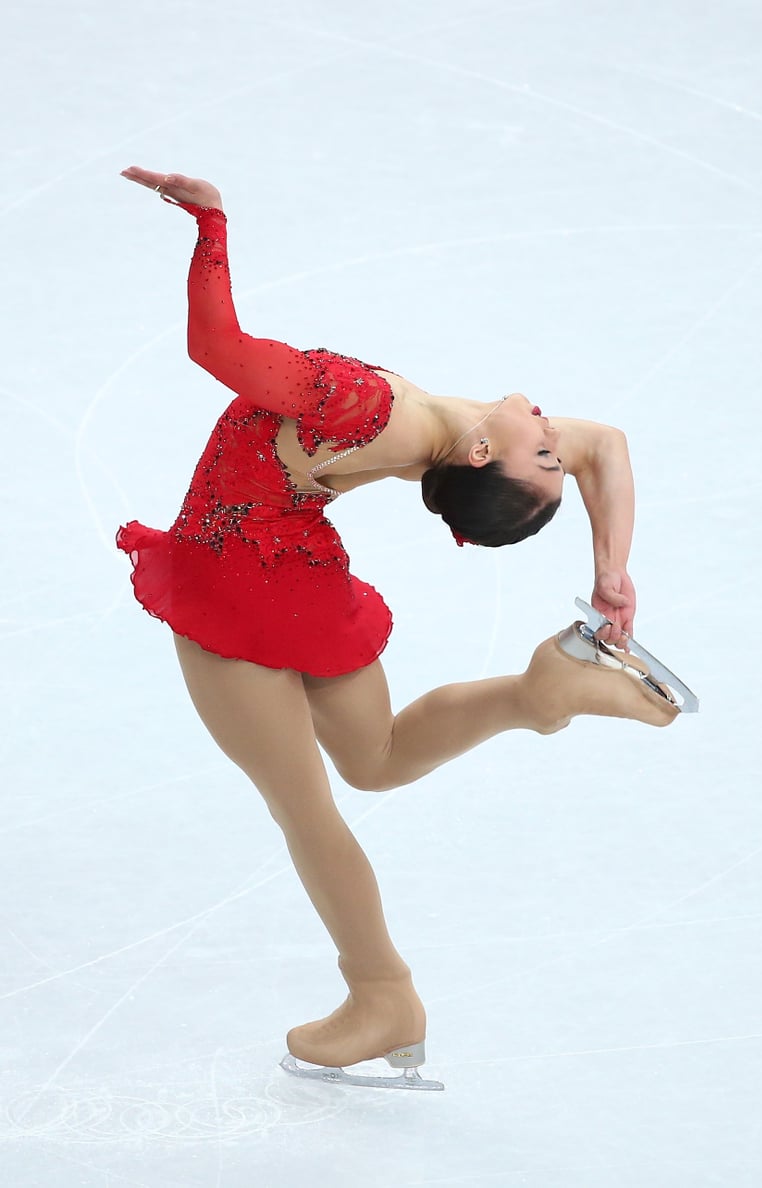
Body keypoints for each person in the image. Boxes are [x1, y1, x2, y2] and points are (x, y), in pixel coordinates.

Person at [116, 167, 688, 1089]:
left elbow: (216, 347)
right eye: (549, 453)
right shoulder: (464, 427)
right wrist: (609, 570)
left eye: (541, 451)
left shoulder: (363, 406)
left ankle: (381, 993)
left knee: (305, 808)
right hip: (303, 572)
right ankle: (537, 693)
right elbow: (604, 447)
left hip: (233, 585)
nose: (553, 434)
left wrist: (210, 222)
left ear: (479, 457)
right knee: (374, 758)